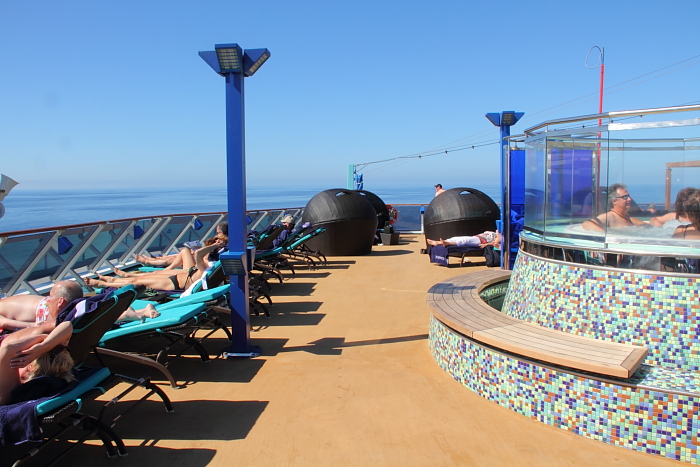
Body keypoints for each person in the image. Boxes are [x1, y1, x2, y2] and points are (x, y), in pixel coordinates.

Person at [85, 240, 224, 290]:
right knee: (143, 277)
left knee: (137, 281)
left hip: (175, 283)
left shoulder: (205, 267)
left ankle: (105, 284)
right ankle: (113, 280)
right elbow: (199, 254)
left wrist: (213, 246)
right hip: (181, 277)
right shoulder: (213, 267)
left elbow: (199, 254)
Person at [135, 222, 228, 269]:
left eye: (217, 232)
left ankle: (149, 261)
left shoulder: (222, 244)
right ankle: (152, 259)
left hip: (201, 265)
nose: (216, 234)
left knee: (177, 257)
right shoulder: (223, 243)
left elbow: (208, 257)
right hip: (203, 261)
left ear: (222, 232)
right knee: (176, 256)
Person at [582, 183, 647, 231]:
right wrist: (606, 234)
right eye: (625, 197)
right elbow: (587, 224)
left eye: (628, 196)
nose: (629, 199)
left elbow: (640, 224)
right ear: (614, 201)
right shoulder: (610, 216)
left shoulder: (625, 216)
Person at [426, 231, 501, 249]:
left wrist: (486, 244)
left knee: (465, 240)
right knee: (456, 238)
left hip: (481, 241)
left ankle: (447, 243)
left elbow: (495, 243)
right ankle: (438, 242)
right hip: (477, 237)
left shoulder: (501, 236)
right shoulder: (498, 232)